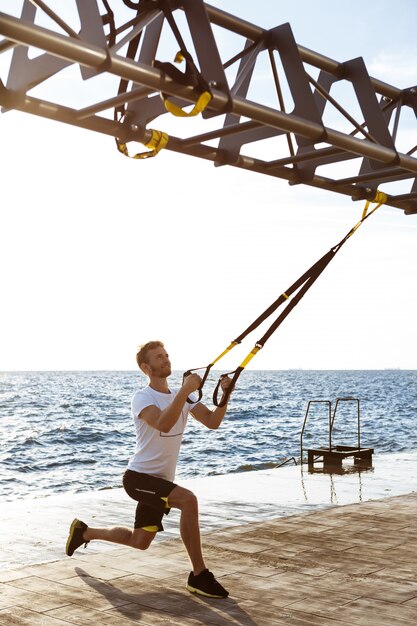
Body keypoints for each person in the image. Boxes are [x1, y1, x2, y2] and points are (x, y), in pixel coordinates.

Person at [65, 340, 233, 599]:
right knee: (189, 501)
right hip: (138, 478)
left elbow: (212, 422)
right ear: (146, 367)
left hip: (160, 482)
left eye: (166, 355)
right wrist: (183, 391)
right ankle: (199, 575)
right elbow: (163, 424)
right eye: (158, 357)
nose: (166, 359)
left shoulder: (186, 398)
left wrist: (224, 396)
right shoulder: (142, 398)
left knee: (139, 541)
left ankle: (83, 531)